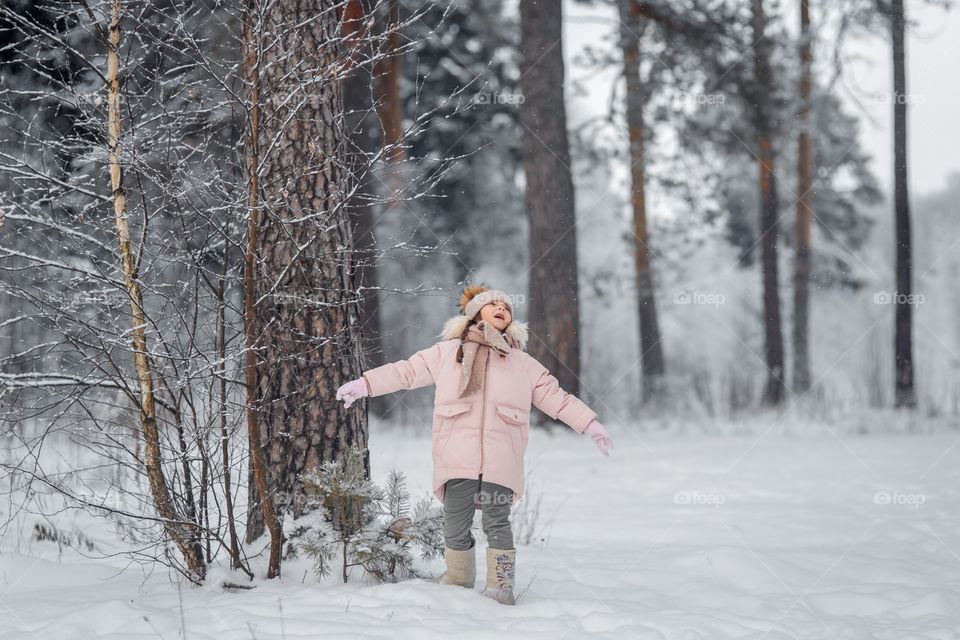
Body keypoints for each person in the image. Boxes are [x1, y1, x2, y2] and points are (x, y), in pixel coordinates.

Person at [336, 284, 613, 605]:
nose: (501, 309)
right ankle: (458, 577)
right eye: (492, 304)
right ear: (473, 313)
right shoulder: (447, 353)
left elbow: (556, 398)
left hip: (501, 458)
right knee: (455, 519)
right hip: (456, 454)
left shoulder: (522, 363)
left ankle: (501, 584)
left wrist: (589, 424)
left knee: (497, 519)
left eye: (506, 307)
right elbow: (406, 371)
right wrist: (365, 384)